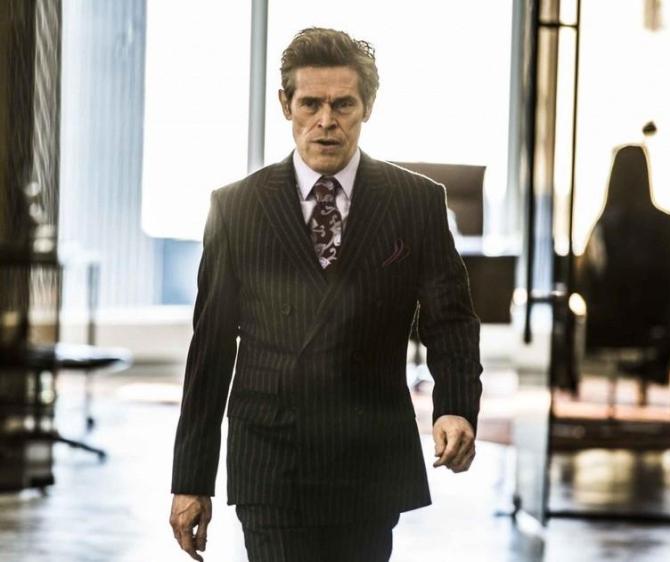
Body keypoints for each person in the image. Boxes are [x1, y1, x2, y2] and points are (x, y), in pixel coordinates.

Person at [168, 28, 482, 562]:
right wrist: (191, 480)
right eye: (310, 104)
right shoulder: (236, 207)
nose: (326, 121)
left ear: (368, 107)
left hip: (368, 458)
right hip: (272, 458)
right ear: (285, 105)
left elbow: (450, 319)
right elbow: (211, 351)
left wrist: (454, 407)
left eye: (343, 105)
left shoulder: (415, 202)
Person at [577, 144, 670, 384]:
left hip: (608, 320)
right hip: (653, 320)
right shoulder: (665, 223)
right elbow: (669, 276)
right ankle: (658, 365)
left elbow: (587, 275)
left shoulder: (603, 225)